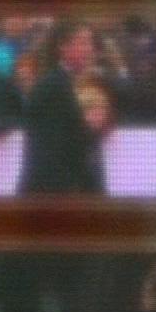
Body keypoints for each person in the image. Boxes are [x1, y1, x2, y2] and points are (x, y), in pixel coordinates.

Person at [17, 23, 107, 197]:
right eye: (83, 42)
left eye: (90, 43)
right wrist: (89, 126)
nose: (89, 49)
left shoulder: (70, 83)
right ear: (63, 46)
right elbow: (52, 150)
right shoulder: (53, 86)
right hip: (52, 194)